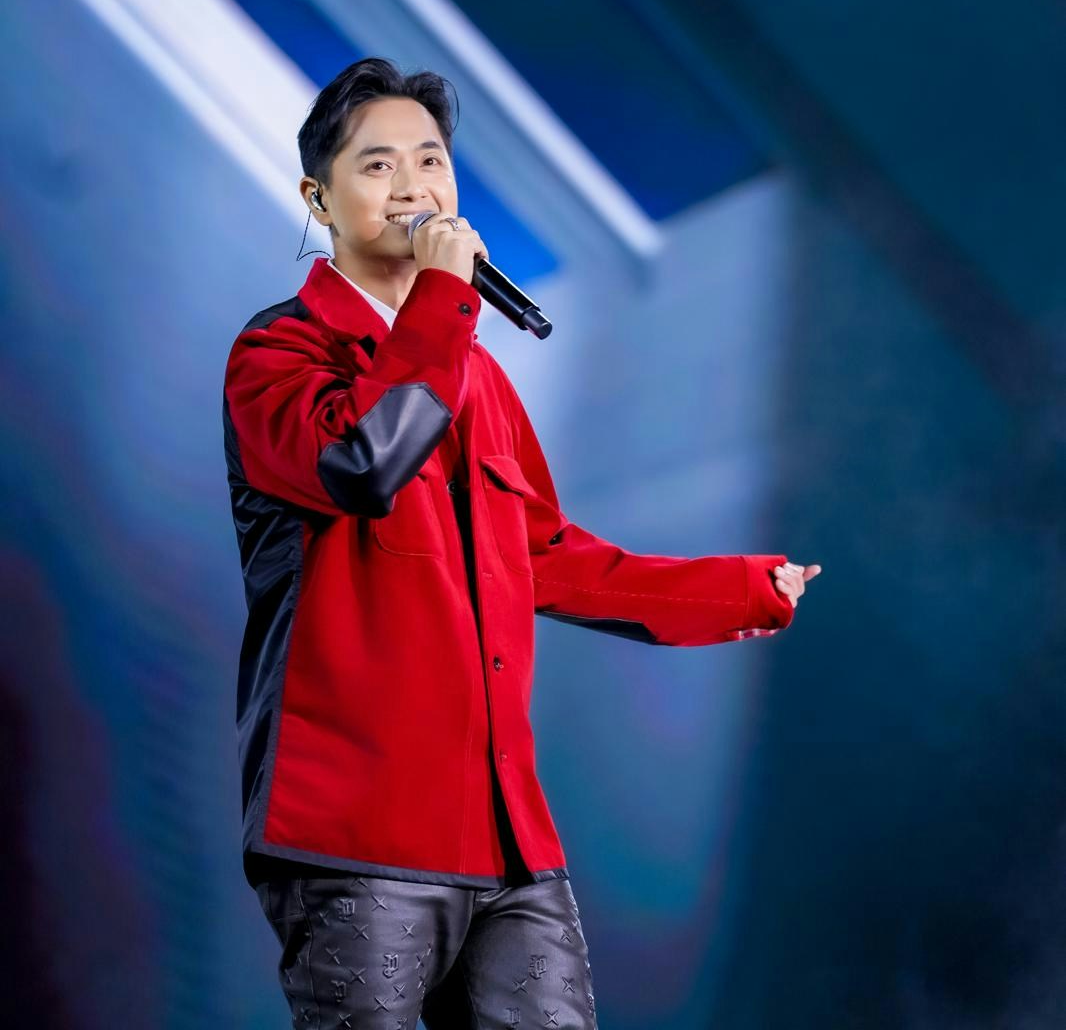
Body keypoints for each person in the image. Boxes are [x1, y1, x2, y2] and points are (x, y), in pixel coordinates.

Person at [223, 57, 821, 1028]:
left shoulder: (478, 377)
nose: (414, 185)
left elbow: (544, 556)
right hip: (357, 832)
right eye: (378, 164)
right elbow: (362, 463)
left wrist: (740, 590)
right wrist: (442, 300)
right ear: (317, 199)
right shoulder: (278, 353)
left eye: (431, 159)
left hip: (507, 844)